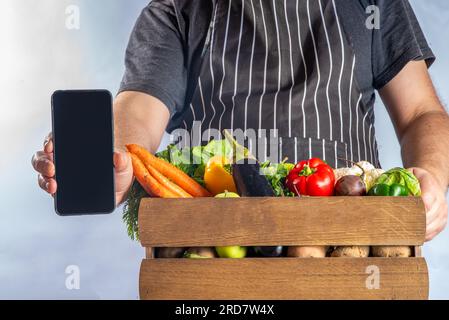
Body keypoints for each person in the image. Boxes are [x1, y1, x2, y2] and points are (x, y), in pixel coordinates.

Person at [32, 0, 448, 240]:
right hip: (219, 252)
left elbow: (421, 114)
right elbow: (138, 110)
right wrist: (118, 162)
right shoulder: (176, 12)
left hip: (350, 244)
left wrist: (429, 176)